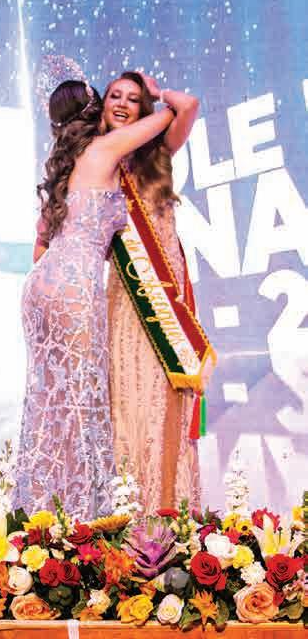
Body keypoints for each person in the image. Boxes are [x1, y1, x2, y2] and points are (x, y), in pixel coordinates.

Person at [13, 77, 175, 519]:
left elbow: (40, 247)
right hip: (75, 287)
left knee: (48, 404)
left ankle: (40, 515)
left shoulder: (64, 164)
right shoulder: (106, 149)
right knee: (83, 402)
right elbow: (165, 118)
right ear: (94, 108)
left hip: (41, 284)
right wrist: (153, 93)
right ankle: (86, 518)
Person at [103, 71, 208, 514]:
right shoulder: (98, 160)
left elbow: (189, 104)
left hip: (165, 292)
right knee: (128, 399)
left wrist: (157, 92)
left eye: (133, 98)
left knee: (165, 397)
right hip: (126, 295)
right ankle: (128, 512)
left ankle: (169, 510)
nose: (123, 103)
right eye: (115, 95)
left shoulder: (157, 153)